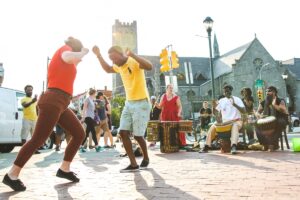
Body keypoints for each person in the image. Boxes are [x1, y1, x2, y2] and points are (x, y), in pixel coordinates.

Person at [2, 37, 88, 191]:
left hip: (61, 102)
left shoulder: (67, 61)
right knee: (37, 140)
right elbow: (68, 57)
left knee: (79, 133)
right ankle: (12, 175)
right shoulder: (65, 50)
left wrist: (74, 96)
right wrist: (83, 52)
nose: (79, 61)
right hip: (53, 101)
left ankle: (64, 169)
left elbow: (64, 84)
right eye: (78, 57)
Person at [92, 45, 152, 172]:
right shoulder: (119, 67)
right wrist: (98, 55)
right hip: (129, 103)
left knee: (138, 136)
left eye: (114, 58)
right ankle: (133, 163)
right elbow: (108, 69)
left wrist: (133, 55)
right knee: (122, 132)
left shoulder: (133, 61)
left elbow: (149, 67)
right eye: (111, 59)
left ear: (121, 54)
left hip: (142, 103)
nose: (113, 61)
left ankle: (146, 157)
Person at [199, 85, 245, 154]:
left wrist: (234, 104)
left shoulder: (237, 99)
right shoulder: (222, 100)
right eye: (225, 91)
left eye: (228, 91)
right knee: (213, 126)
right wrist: (213, 107)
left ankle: (233, 146)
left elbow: (244, 111)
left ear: (231, 91)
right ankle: (207, 146)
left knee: (234, 126)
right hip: (225, 122)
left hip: (236, 121)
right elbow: (215, 113)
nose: (226, 92)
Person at [255, 86, 289, 151]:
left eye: (269, 91)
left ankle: (272, 144)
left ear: (274, 93)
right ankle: (264, 144)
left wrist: (274, 105)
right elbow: (257, 112)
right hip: (268, 119)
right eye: (266, 91)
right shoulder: (264, 102)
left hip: (280, 118)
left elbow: (284, 111)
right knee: (256, 123)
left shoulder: (280, 100)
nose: (267, 93)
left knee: (278, 123)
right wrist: (260, 116)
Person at [20, 85, 41, 154]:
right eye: (28, 90)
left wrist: (38, 117)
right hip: (26, 119)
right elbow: (25, 105)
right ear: (25, 91)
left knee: (34, 136)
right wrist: (32, 101)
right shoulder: (23, 99)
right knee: (24, 135)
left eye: (31, 90)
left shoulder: (34, 100)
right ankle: (24, 150)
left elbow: (37, 109)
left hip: (34, 120)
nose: (30, 91)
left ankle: (35, 149)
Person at [80, 88, 102, 152]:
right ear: (93, 93)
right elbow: (84, 108)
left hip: (91, 117)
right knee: (93, 131)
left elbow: (94, 109)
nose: (96, 94)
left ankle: (81, 147)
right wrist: (83, 117)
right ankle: (97, 146)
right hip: (88, 117)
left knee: (87, 133)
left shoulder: (93, 100)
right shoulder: (87, 99)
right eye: (96, 93)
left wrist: (97, 106)